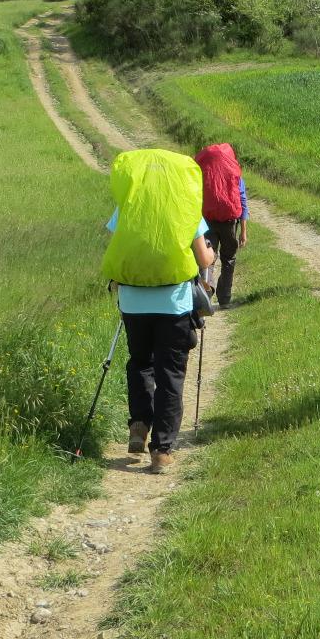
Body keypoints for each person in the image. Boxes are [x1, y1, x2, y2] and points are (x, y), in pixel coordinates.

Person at [104, 149, 216, 473]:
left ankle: (139, 424)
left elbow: (116, 245)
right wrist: (211, 254)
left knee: (140, 362)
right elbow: (204, 259)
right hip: (173, 304)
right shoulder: (186, 207)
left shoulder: (128, 206)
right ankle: (162, 450)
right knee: (170, 373)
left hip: (133, 302)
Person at [195, 143, 248, 307]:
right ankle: (225, 298)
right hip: (229, 222)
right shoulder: (234, 174)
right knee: (229, 259)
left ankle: (206, 294)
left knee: (208, 259)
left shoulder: (205, 173)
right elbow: (242, 201)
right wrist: (243, 231)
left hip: (208, 220)